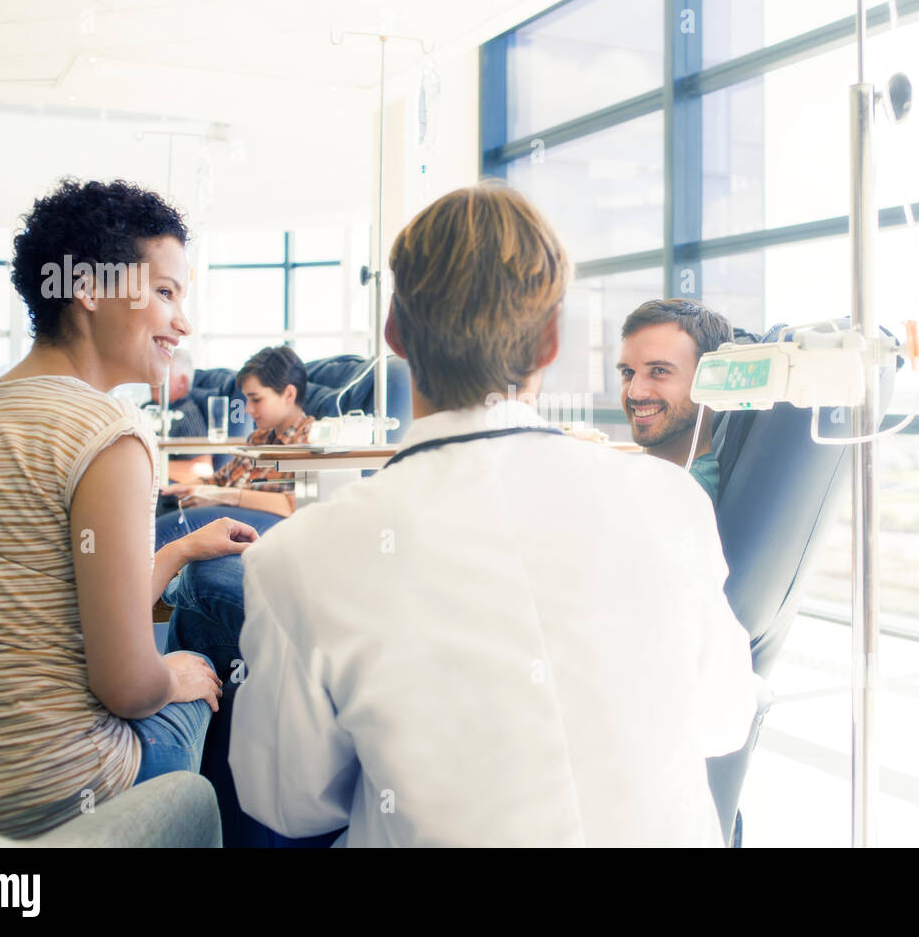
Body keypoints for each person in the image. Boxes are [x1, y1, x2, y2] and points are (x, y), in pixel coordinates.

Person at [226, 182, 761, 846]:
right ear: (550, 342)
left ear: (394, 332)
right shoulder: (671, 502)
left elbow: (289, 804)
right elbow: (724, 723)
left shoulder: (295, 558)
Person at [0, 178, 257, 839]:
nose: (183, 322)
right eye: (165, 291)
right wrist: (171, 677)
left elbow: (48, 614)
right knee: (199, 663)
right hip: (52, 795)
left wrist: (174, 552)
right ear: (86, 288)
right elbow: (125, 685)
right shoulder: (108, 432)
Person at [155, 345, 313, 548]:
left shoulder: (309, 440)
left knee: (166, 529)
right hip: (232, 510)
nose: (247, 409)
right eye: (247, 400)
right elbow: (221, 479)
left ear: (289, 395)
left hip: (269, 522)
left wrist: (223, 496)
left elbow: (298, 503)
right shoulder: (259, 438)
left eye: (256, 399)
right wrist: (189, 488)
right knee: (162, 505)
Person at [617, 298, 734, 507]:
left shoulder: (682, 494)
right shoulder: (656, 480)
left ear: (712, 380)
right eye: (628, 372)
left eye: (659, 371)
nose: (635, 392)